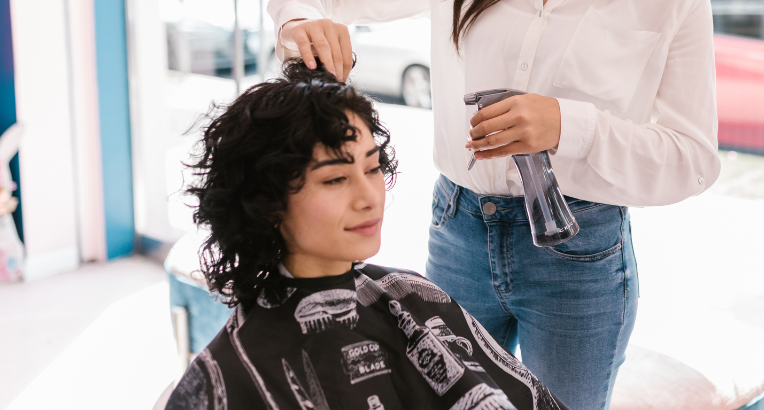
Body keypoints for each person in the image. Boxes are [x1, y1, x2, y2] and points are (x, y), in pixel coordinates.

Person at [268, 0, 720, 407]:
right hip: (458, 232)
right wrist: (300, 19)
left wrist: (568, 125)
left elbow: (694, 158)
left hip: (577, 254)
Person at [166, 60, 569, 410]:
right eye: (336, 178)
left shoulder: (409, 294)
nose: (368, 198)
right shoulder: (227, 375)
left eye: (373, 168)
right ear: (266, 201)